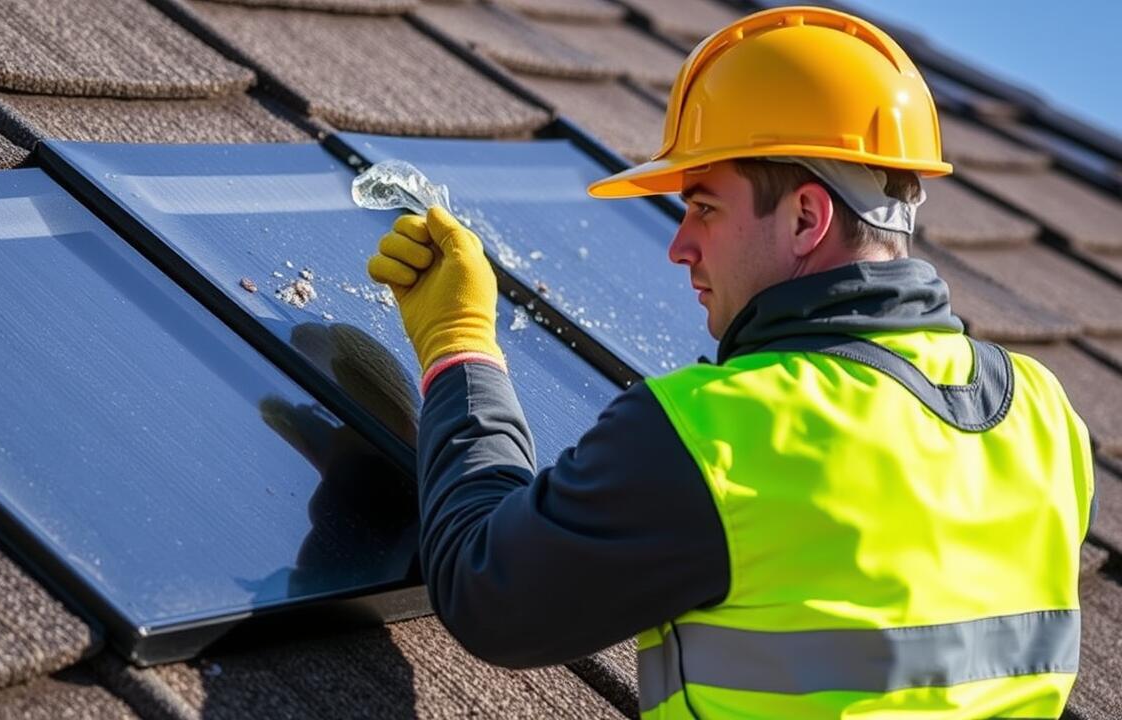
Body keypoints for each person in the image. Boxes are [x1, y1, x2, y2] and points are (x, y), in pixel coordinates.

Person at [367, 6, 1095, 718]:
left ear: (807, 218)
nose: (680, 246)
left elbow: (490, 591)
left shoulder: (724, 433)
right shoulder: (1042, 414)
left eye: (705, 208)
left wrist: (460, 347)